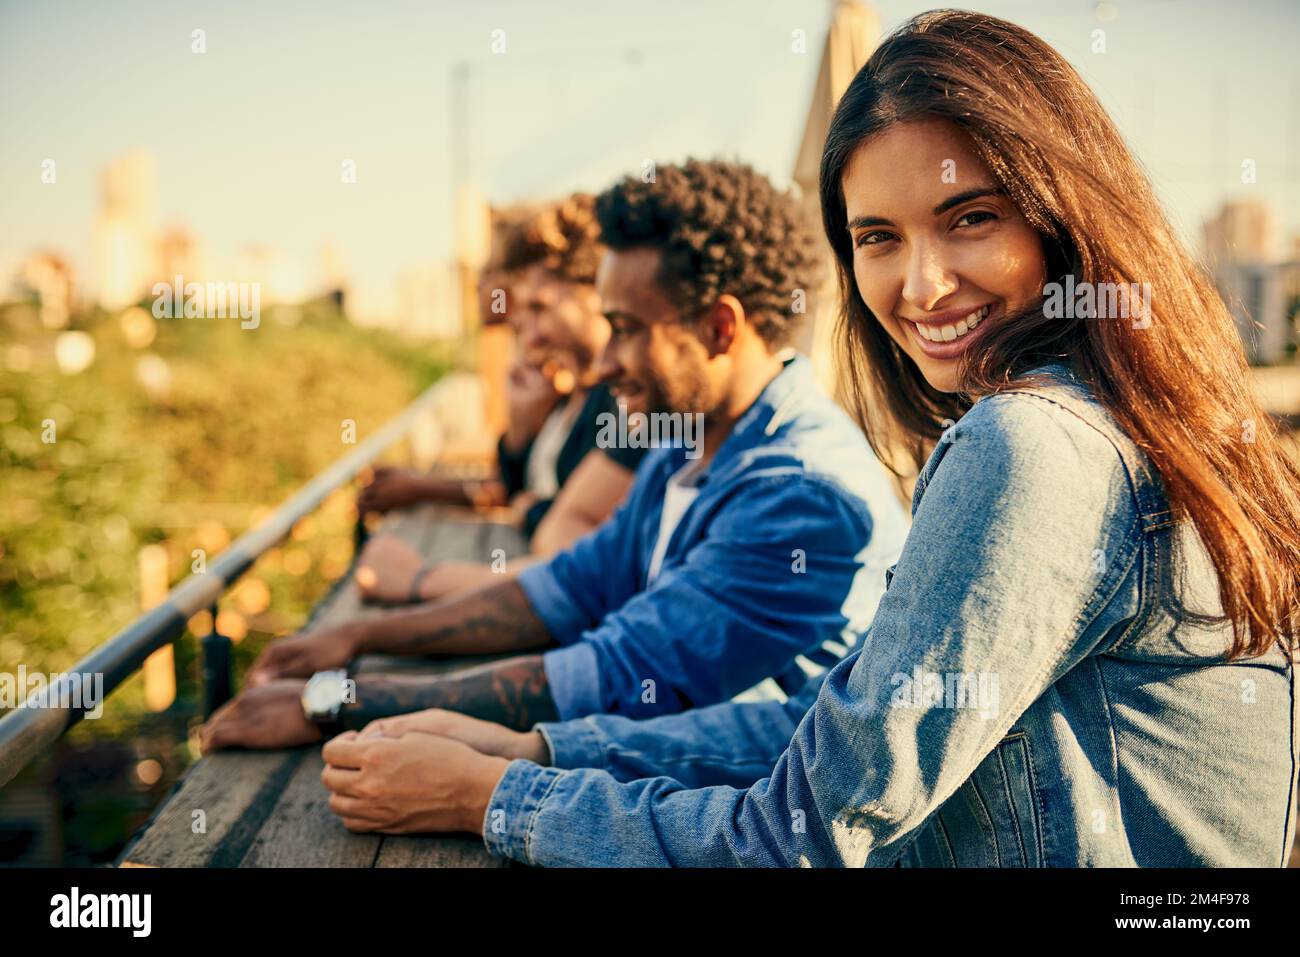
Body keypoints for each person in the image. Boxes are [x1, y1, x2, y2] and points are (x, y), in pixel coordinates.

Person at [315, 11, 1300, 867]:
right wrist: (540, 753)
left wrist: (489, 798)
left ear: (1063, 216)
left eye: (969, 218)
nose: (918, 287)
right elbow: (832, 734)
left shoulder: (1032, 447)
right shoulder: (1105, 415)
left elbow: (801, 836)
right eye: (877, 237)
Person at [199, 159, 910, 751]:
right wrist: (356, 636)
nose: (604, 363)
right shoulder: (685, 442)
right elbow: (568, 587)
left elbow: (617, 672)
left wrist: (340, 699)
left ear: (720, 327)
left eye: (627, 329)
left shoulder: (802, 492)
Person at [355, 194, 649, 603]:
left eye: (539, 309)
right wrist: (521, 431)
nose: (527, 338)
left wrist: (421, 581)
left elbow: (586, 555)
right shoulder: (577, 394)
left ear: (597, 290)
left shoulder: (634, 402)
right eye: (516, 320)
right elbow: (524, 493)